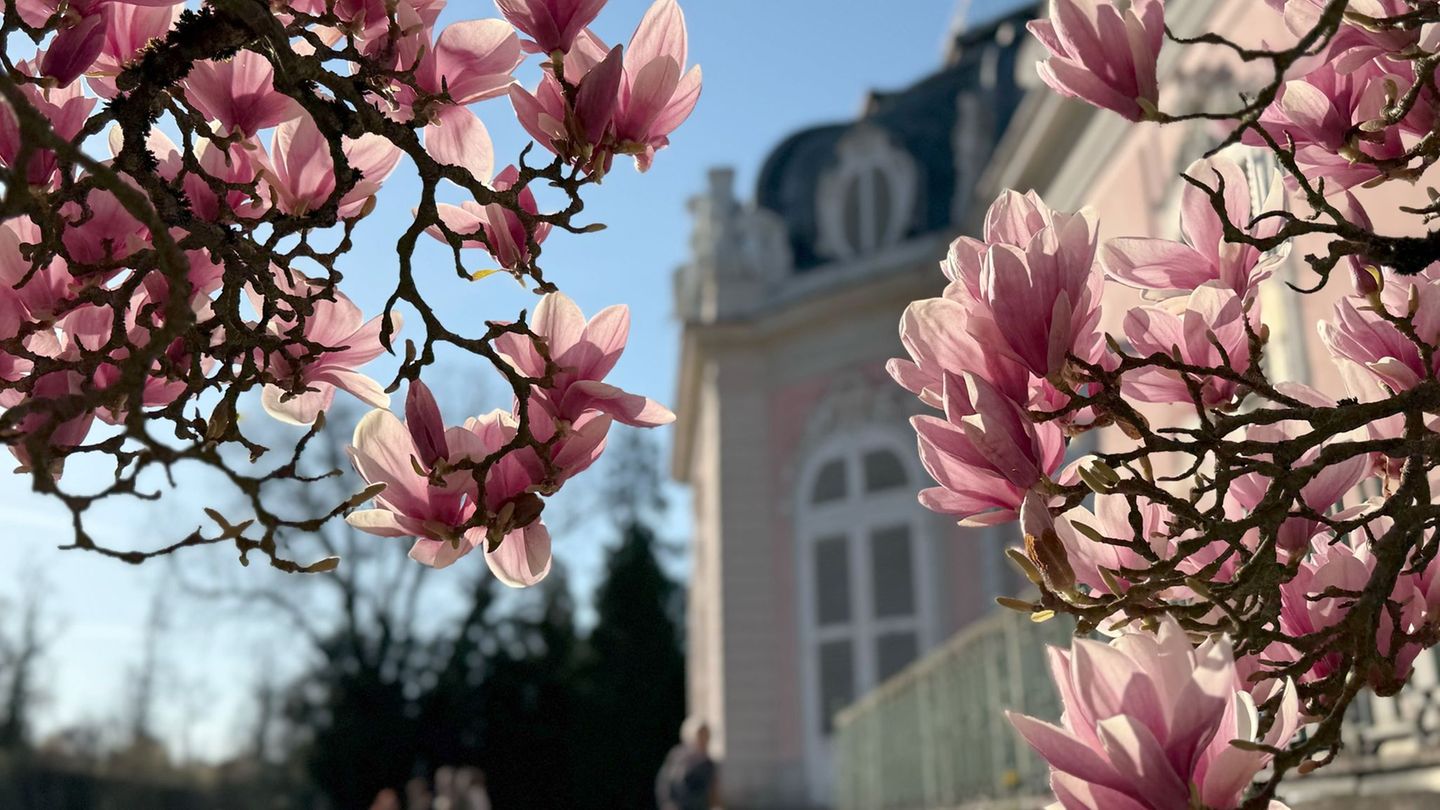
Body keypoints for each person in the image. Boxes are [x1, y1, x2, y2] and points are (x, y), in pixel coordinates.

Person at [656, 716, 720, 810]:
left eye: (706, 735)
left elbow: (713, 793)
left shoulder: (709, 764)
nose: (703, 739)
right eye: (700, 735)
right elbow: (665, 784)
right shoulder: (677, 758)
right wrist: (668, 804)